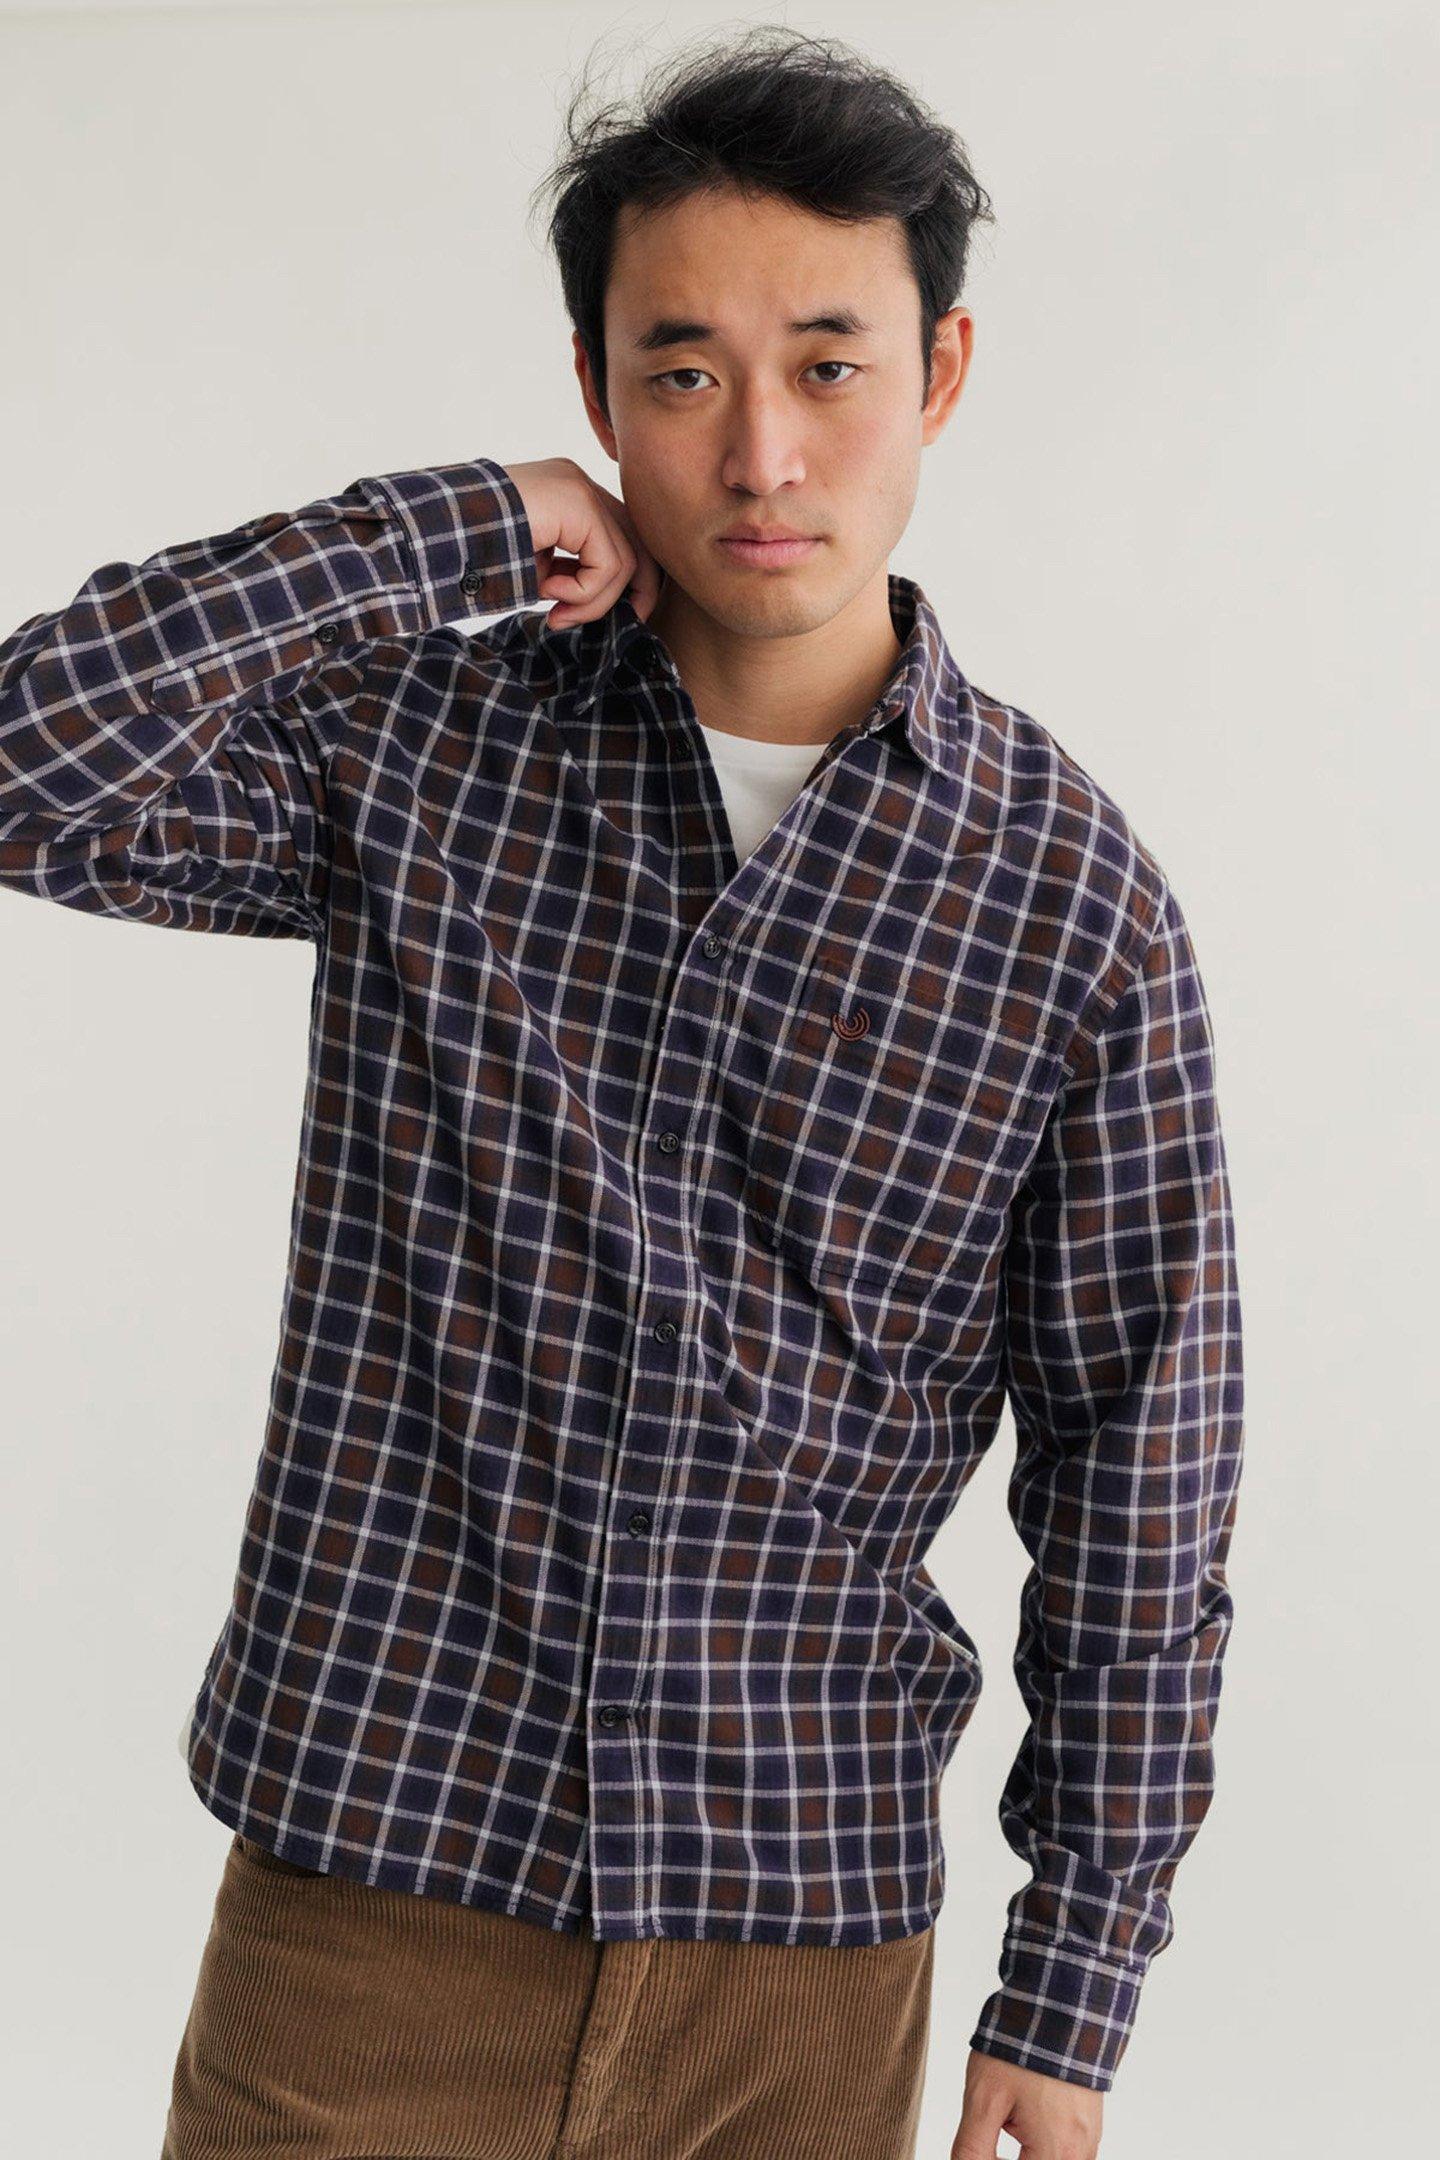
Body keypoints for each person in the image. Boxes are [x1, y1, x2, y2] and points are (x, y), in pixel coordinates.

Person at [1, 25, 1244, 2160]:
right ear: (595, 393)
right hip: (376, 1886)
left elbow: (1143, 1474)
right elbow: (29, 763)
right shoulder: (424, 750)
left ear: (941, 374)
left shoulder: (1069, 903)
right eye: (683, 373)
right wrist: (458, 525)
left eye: (830, 366)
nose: (762, 450)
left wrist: (1076, 1980)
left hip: (801, 1944)